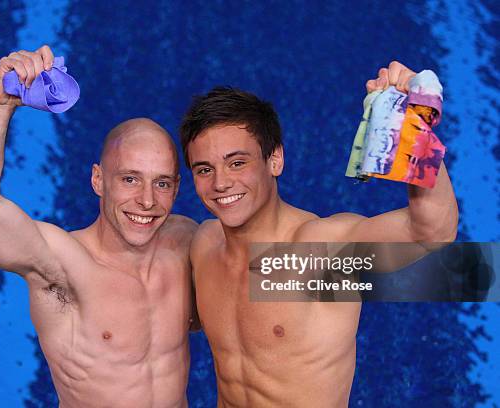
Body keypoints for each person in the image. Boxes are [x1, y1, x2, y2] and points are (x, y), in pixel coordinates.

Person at [179, 61, 459, 407]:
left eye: (238, 163)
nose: (221, 183)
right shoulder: (203, 246)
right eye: (204, 169)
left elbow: (432, 230)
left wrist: (416, 122)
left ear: (275, 160)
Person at [0, 45, 197, 408]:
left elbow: (266, 269)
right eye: (130, 179)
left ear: (177, 187)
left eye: (161, 183)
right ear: (98, 180)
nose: (147, 201)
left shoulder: (185, 241)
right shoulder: (63, 264)